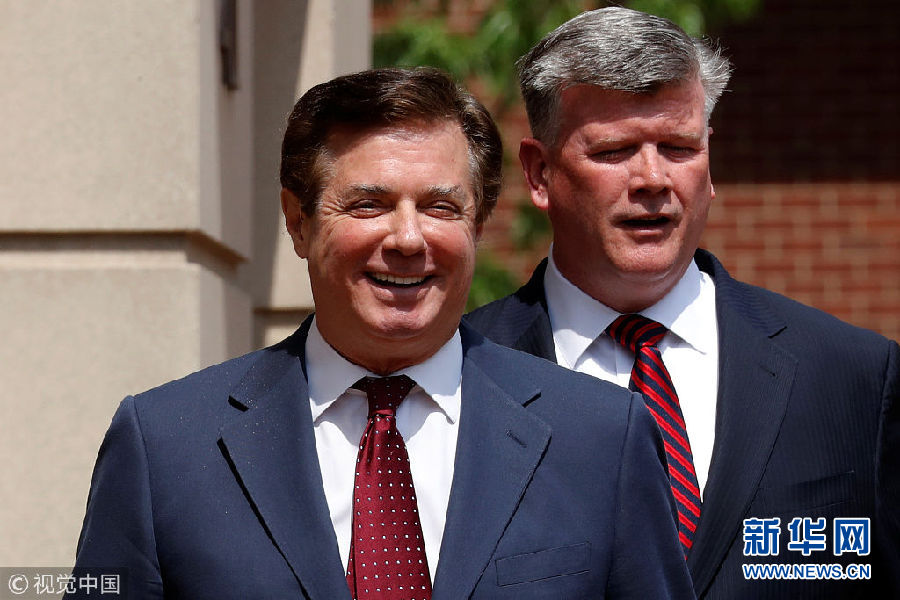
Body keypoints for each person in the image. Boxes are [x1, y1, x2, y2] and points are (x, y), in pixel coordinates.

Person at [67, 67, 694, 599]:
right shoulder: (165, 448)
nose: (408, 239)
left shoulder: (602, 439)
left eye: (441, 207)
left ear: (477, 226)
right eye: (368, 205)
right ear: (298, 222)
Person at [466, 7, 900, 599]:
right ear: (539, 173)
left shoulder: (853, 376)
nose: (653, 178)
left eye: (678, 147)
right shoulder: (460, 377)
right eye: (615, 150)